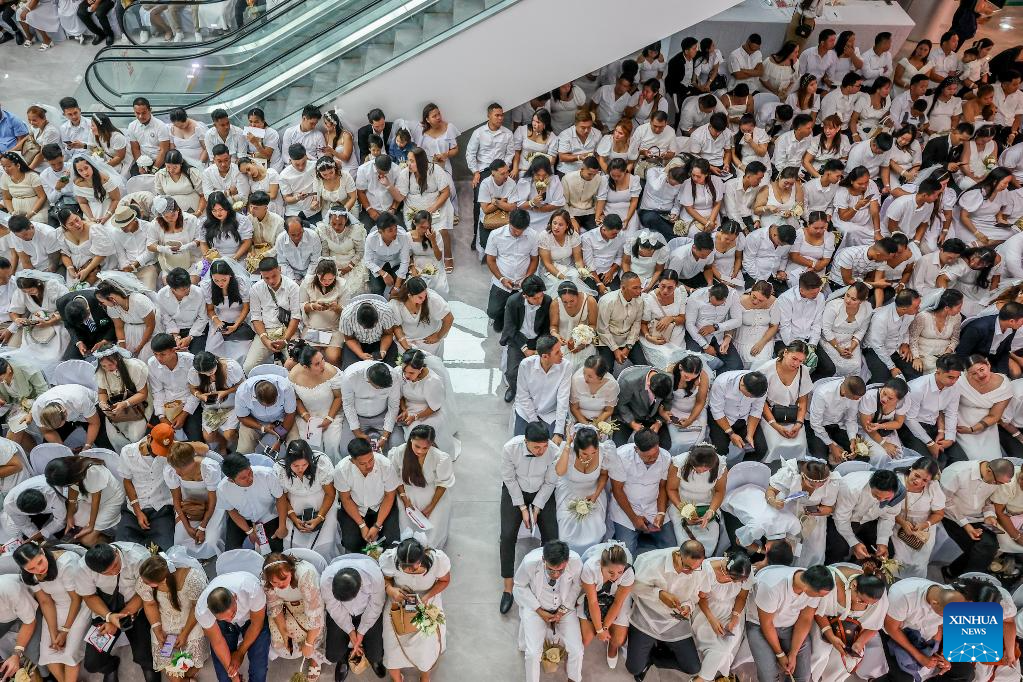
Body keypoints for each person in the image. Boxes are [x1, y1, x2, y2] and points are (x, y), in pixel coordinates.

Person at [77, 542, 157, 682]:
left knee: (145, 655)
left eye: (115, 565)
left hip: (136, 605)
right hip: (106, 608)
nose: (114, 572)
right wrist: (109, 617)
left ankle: (149, 669)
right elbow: (89, 596)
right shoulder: (83, 567)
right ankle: (110, 667)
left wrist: (119, 620)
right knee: (92, 664)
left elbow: (145, 592)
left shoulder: (138, 557)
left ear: (115, 552)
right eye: (106, 573)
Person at [626, 540, 706, 680]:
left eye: (695, 568)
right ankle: (649, 646)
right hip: (647, 615)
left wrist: (688, 606)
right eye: (686, 567)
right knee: (633, 668)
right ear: (677, 555)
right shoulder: (649, 561)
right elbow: (633, 586)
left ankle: (654, 657)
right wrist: (659, 594)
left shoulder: (697, 569)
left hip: (675, 621)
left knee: (693, 667)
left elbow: (694, 596)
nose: (690, 572)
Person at [13, 543, 89, 682]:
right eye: (31, 568)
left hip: (81, 604)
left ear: (42, 551)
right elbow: (45, 602)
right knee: (48, 654)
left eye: (40, 562)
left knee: (69, 654)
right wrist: (54, 633)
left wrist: (64, 631)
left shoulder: (66, 563)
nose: (39, 569)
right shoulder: (28, 576)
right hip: (56, 606)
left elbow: (76, 599)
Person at [745, 564, 834, 682]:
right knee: (768, 678)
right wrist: (780, 654)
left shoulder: (813, 582)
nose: (822, 598)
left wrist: (793, 652)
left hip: (790, 626)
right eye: (820, 595)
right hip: (759, 625)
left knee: (803, 677)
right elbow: (766, 624)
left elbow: (806, 618)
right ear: (806, 588)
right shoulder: (772, 586)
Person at [379, 536, 450, 680]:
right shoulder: (390, 559)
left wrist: (426, 597)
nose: (408, 569)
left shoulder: (437, 560)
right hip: (399, 599)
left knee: (426, 640)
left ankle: (425, 674)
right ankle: (396, 677)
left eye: (413, 565)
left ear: (422, 557)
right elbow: (386, 580)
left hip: (426, 599)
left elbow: (445, 581)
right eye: (403, 566)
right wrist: (391, 590)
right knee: (391, 637)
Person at [514, 540, 583, 682]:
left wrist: (563, 610)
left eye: (561, 570)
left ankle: (574, 679)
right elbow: (519, 586)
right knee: (533, 653)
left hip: (565, 608)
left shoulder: (576, 562)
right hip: (536, 607)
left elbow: (577, 586)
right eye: (551, 570)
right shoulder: (529, 563)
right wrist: (539, 610)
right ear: (543, 559)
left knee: (577, 649)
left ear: (567, 561)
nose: (556, 575)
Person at [809, 561, 889, 682]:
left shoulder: (878, 596)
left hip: (852, 630)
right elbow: (818, 612)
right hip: (821, 622)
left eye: (870, 604)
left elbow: (874, 625)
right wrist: (830, 636)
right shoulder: (832, 583)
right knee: (820, 653)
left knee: (848, 659)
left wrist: (859, 643)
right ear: (854, 586)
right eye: (861, 601)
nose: (865, 605)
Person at [136, 550, 209, 679]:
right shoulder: (146, 578)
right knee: (172, 671)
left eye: (149, 584)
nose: (144, 584)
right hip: (165, 618)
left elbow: (197, 607)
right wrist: (157, 628)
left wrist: (185, 633)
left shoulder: (193, 578)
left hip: (191, 620)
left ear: (163, 580)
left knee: (191, 666)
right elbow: (149, 604)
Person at [320, 553, 388, 681]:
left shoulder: (375, 576)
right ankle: (343, 659)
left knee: (376, 654)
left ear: (360, 586)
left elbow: (375, 606)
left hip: (367, 610)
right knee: (332, 655)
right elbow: (334, 608)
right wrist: (351, 632)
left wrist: (360, 633)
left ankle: (374, 659)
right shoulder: (326, 579)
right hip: (341, 612)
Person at [195, 571, 270, 682]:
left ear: (235, 597)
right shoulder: (202, 611)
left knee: (259, 669)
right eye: (224, 617)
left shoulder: (252, 590)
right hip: (223, 627)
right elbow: (218, 642)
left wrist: (240, 653)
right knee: (224, 675)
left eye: (233, 613)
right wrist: (234, 676)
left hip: (251, 618)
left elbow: (256, 624)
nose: (230, 619)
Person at [608, 428, 674, 555]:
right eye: (648, 457)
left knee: (671, 546)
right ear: (636, 449)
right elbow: (617, 490)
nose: (652, 459)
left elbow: (662, 487)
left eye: (655, 455)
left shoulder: (665, 456)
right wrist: (634, 518)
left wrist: (661, 512)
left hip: (653, 506)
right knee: (625, 553)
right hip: (626, 509)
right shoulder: (621, 456)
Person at [691, 549, 753, 682]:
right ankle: (702, 678)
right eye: (734, 579)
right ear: (727, 570)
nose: (737, 583)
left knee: (726, 646)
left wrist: (735, 616)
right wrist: (712, 620)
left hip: (732, 610)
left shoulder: (746, 571)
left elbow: (742, 597)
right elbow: (701, 599)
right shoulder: (707, 570)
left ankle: (700, 679)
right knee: (719, 649)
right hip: (708, 610)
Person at [115, 422, 178, 551]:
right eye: (158, 449)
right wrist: (138, 512)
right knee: (121, 549)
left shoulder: (172, 452)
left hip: (162, 507)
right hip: (134, 508)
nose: (160, 454)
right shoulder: (128, 452)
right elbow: (127, 482)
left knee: (164, 551)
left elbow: (203, 449)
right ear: (149, 438)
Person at [334, 437, 400, 554]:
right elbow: (346, 499)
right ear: (352, 461)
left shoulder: (385, 465)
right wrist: (362, 525)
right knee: (351, 542)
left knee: (391, 540)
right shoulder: (341, 469)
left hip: (381, 505)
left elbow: (389, 496)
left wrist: (377, 526)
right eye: (363, 463)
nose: (369, 465)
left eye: (371, 460)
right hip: (356, 507)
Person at [898, 354, 967, 467]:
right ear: (938, 371)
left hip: (934, 426)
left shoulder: (955, 386)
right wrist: (930, 443)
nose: (954, 381)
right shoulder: (918, 388)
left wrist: (949, 438)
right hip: (912, 429)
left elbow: (951, 413)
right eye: (950, 377)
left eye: (957, 377)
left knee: (961, 461)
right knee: (929, 467)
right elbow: (909, 419)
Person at [261, 553, 324, 672]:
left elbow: (315, 614)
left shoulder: (306, 576)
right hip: (286, 605)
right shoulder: (266, 581)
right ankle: (305, 647)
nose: (280, 585)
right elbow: (275, 606)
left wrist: (309, 644)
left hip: (309, 603)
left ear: (291, 569)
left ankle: (314, 655)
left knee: (313, 634)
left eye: (283, 579)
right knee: (279, 640)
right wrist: (284, 632)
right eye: (275, 582)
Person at [274, 440, 337, 557]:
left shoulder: (321, 462)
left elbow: (330, 494)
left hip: (323, 500)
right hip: (293, 503)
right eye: (295, 466)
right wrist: (293, 518)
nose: (300, 469)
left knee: (325, 545)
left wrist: (319, 518)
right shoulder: (280, 469)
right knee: (293, 546)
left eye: (304, 465)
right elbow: (282, 498)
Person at [163, 441, 223, 561]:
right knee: (180, 541)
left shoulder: (209, 468)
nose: (177, 472)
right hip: (189, 505)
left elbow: (213, 501)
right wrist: (187, 526)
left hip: (213, 506)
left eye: (180, 469)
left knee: (211, 540)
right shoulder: (171, 471)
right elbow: (177, 500)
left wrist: (202, 527)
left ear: (191, 462)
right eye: (175, 468)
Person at [217, 452, 288, 553]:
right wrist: (249, 531)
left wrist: (282, 526)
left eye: (250, 472)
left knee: (275, 548)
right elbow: (231, 510)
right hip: (242, 517)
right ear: (231, 480)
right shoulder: (222, 489)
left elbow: (280, 498)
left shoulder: (267, 475)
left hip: (268, 513)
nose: (250, 478)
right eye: (243, 478)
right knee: (231, 552)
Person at [826, 469, 900, 563]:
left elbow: (888, 517)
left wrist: (882, 542)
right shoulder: (852, 488)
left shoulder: (899, 493)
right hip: (844, 519)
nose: (881, 501)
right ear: (870, 485)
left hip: (869, 520)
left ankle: (862, 568)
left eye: (887, 498)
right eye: (876, 496)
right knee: (838, 550)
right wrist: (854, 543)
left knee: (888, 551)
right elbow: (841, 518)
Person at [244, 256, 301, 372]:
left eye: (274, 276)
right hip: (266, 331)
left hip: (288, 330)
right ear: (261, 275)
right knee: (248, 367)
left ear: (280, 269)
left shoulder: (292, 286)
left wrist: (285, 340)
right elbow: (256, 318)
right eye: (266, 278)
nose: (271, 281)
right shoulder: (255, 289)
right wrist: (265, 340)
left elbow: (295, 316)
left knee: (296, 364)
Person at [892, 457, 945, 578]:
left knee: (920, 563)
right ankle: (893, 581)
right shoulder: (897, 480)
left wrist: (925, 524)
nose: (918, 482)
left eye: (925, 480)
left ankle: (914, 584)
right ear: (911, 468)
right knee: (899, 558)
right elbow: (885, 507)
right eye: (916, 475)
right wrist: (903, 523)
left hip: (923, 527)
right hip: (897, 521)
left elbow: (939, 513)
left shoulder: (933, 487)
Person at [338, 359, 402, 454]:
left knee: (399, 446)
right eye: (379, 388)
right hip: (357, 416)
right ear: (369, 381)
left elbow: (393, 406)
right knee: (346, 451)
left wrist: (384, 436)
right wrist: (357, 432)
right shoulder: (350, 376)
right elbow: (348, 405)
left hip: (383, 415)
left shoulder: (394, 376)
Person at [863, 289, 922, 384]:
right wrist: (892, 367)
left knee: (915, 372)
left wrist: (905, 343)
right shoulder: (881, 318)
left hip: (896, 348)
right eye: (916, 307)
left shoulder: (909, 313)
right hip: (874, 350)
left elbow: (906, 328)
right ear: (904, 309)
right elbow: (878, 345)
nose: (919, 308)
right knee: (882, 379)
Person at [707, 369, 768, 457]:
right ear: (742, 385)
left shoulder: (762, 386)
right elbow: (717, 411)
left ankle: (745, 466)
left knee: (762, 449)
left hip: (745, 417)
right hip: (723, 417)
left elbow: (756, 410)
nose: (752, 398)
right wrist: (731, 434)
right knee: (720, 450)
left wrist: (750, 435)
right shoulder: (721, 383)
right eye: (750, 396)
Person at [613, 365, 674, 449]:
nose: (656, 399)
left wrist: (659, 422)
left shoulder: (669, 379)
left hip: (653, 417)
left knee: (665, 446)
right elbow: (621, 404)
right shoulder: (629, 382)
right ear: (648, 385)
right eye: (655, 396)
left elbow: (668, 401)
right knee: (618, 446)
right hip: (631, 415)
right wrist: (632, 423)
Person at [955, 301, 1023, 374]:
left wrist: (1002, 374)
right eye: (1022, 321)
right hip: (973, 361)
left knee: (1013, 374)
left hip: (992, 359)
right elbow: (961, 354)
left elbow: (1004, 351)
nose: (1022, 325)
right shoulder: (977, 329)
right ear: (1012, 321)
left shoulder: (1012, 328)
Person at [31, 382, 103, 450]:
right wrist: (65, 450)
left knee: (102, 442)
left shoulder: (79, 400)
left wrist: (88, 445)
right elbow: (47, 432)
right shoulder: (37, 409)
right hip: (66, 417)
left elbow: (94, 423)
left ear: (66, 413)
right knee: (50, 448)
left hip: (91, 409)